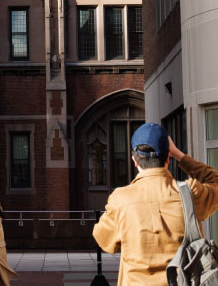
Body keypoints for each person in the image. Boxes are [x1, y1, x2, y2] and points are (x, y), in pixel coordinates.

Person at [93, 122, 218, 286]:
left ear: (135, 161)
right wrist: (180, 156)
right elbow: (214, 181)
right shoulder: (191, 192)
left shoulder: (120, 199)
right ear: (168, 157)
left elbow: (103, 240)